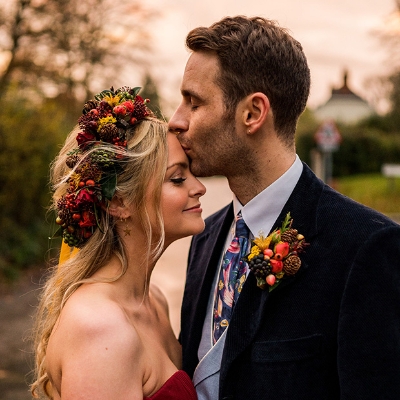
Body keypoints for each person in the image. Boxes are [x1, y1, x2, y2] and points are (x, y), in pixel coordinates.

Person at [168, 16, 400, 400]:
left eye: (194, 102)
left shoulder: (366, 248)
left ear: (253, 113)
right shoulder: (204, 237)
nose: (176, 121)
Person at [31, 86, 204, 399]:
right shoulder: (100, 328)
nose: (200, 188)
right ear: (119, 202)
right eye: (177, 178)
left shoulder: (154, 301)